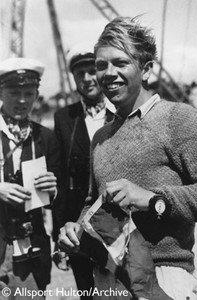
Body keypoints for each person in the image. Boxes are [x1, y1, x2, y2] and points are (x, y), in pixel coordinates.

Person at [58, 17, 197, 300]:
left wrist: (152, 199)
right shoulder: (101, 138)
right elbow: (93, 202)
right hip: (108, 281)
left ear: (145, 69)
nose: (108, 73)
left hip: (163, 279)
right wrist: (75, 229)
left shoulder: (177, 118)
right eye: (101, 65)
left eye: (120, 63)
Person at [53, 45, 114, 297]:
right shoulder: (64, 118)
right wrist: (59, 240)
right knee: (87, 293)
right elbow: (58, 181)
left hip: (116, 222)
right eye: (80, 74)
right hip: (78, 227)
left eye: (92, 71)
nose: (87, 79)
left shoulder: (120, 111)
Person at [0, 57, 60, 296]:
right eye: (15, 92)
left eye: (29, 92)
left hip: (30, 249)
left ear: (37, 95)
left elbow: (57, 198)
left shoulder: (44, 137)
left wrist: (53, 190)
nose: (22, 100)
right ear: (1, 92)